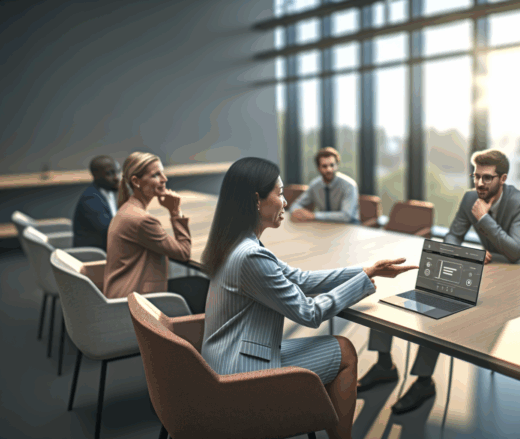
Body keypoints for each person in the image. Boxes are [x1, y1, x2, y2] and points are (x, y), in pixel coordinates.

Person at [200, 157, 416, 439]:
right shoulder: (251, 256)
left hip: (223, 360)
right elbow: (309, 313)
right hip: (244, 375)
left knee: (339, 346)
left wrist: (366, 269)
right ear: (256, 200)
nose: (286, 202)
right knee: (346, 352)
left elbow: (300, 279)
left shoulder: (236, 242)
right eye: (279, 194)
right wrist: (362, 283)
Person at [357, 148, 520, 415]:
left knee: (444, 314)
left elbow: (515, 250)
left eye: (487, 178)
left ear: (503, 179)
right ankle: (384, 364)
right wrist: (466, 253)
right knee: (406, 296)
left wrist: (483, 219)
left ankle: (423, 382)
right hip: (489, 271)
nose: (479, 183)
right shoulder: (470, 198)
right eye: (476, 176)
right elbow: (453, 237)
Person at [103, 152, 209, 314]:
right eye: (156, 175)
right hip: (136, 301)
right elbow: (183, 252)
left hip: (124, 292)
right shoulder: (141, 220)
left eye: (162, 173)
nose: (164, 179)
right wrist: (175, 211)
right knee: (208, 290)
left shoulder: (128, 209)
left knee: (198, 284)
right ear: (136, 182)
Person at [289, 147, 360, 224]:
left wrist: (314, 215)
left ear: (337, 165)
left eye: (332, 165)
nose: (329, 169)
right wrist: (298, 212)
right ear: (318, 168)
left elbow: (346, 216)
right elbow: (296, 205)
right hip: (324, 225)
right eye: (324, 166)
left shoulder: (349, 185)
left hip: (349, 226)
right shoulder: (315, 185)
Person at [72, 156, 121, 250]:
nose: (116, 177)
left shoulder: (107, 192)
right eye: (109, 173)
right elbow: (112, 230)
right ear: (95, 175)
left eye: (118, 171)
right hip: (95, 255)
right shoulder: (91, 199)